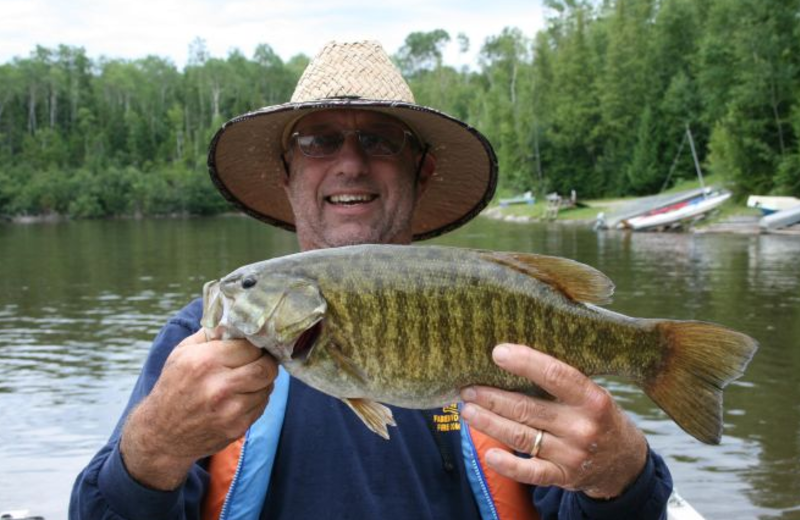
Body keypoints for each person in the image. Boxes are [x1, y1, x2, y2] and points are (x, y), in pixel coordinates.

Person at [70, 40, 672, 520]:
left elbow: (593, 506)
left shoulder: (498, 304)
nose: (350, 161)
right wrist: (153, 448)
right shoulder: (196, 347)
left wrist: (621, 474)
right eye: (319, 140)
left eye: (379, 140)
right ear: (287, 173)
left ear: (423, 170)